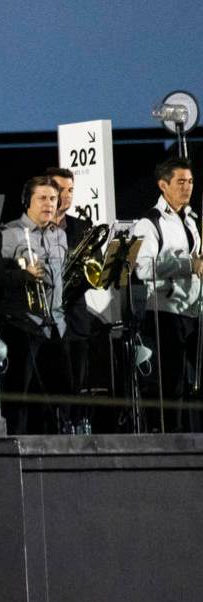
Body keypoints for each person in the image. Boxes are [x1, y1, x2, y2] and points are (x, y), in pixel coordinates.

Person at [0, 176, 70, 434]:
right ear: (28, 201)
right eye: (42, 198)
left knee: (57, 395)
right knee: (20, 395)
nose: (49, 204)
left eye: (53, 199)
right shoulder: (9, 233)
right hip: (23, 324)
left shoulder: (60, 235)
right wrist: (22, 274)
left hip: (55, 324)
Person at [132, 157, 203, 433]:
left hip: (193, 309)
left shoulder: (191, 219)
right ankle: (172, 439)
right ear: (163, 185)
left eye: (191, 181)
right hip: (165, 312)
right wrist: (187, 265)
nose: (188, 187)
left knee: (193, 381)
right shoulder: (149, 222)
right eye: (181, 181)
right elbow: (141, 267)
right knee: (172, 383)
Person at [46, 166, 108, 432]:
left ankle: (76, 427)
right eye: (61, 190)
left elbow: (98, 268)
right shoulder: (37, 225)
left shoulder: (81, 226)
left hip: (77, 317)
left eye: (70, 190)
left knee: (78, 383)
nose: (67, 195)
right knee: (57, 381)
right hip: (49, 318)